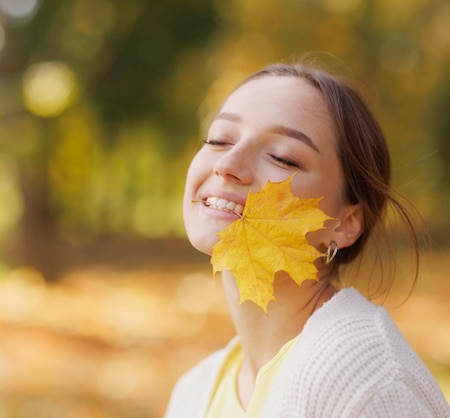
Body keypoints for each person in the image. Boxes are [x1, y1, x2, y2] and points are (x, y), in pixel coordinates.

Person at [164, 60, 450, 417]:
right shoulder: (194, 392)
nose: (228, 163)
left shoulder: (366, 384)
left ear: (345, 223)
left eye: (283, 158)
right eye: (219, 139)